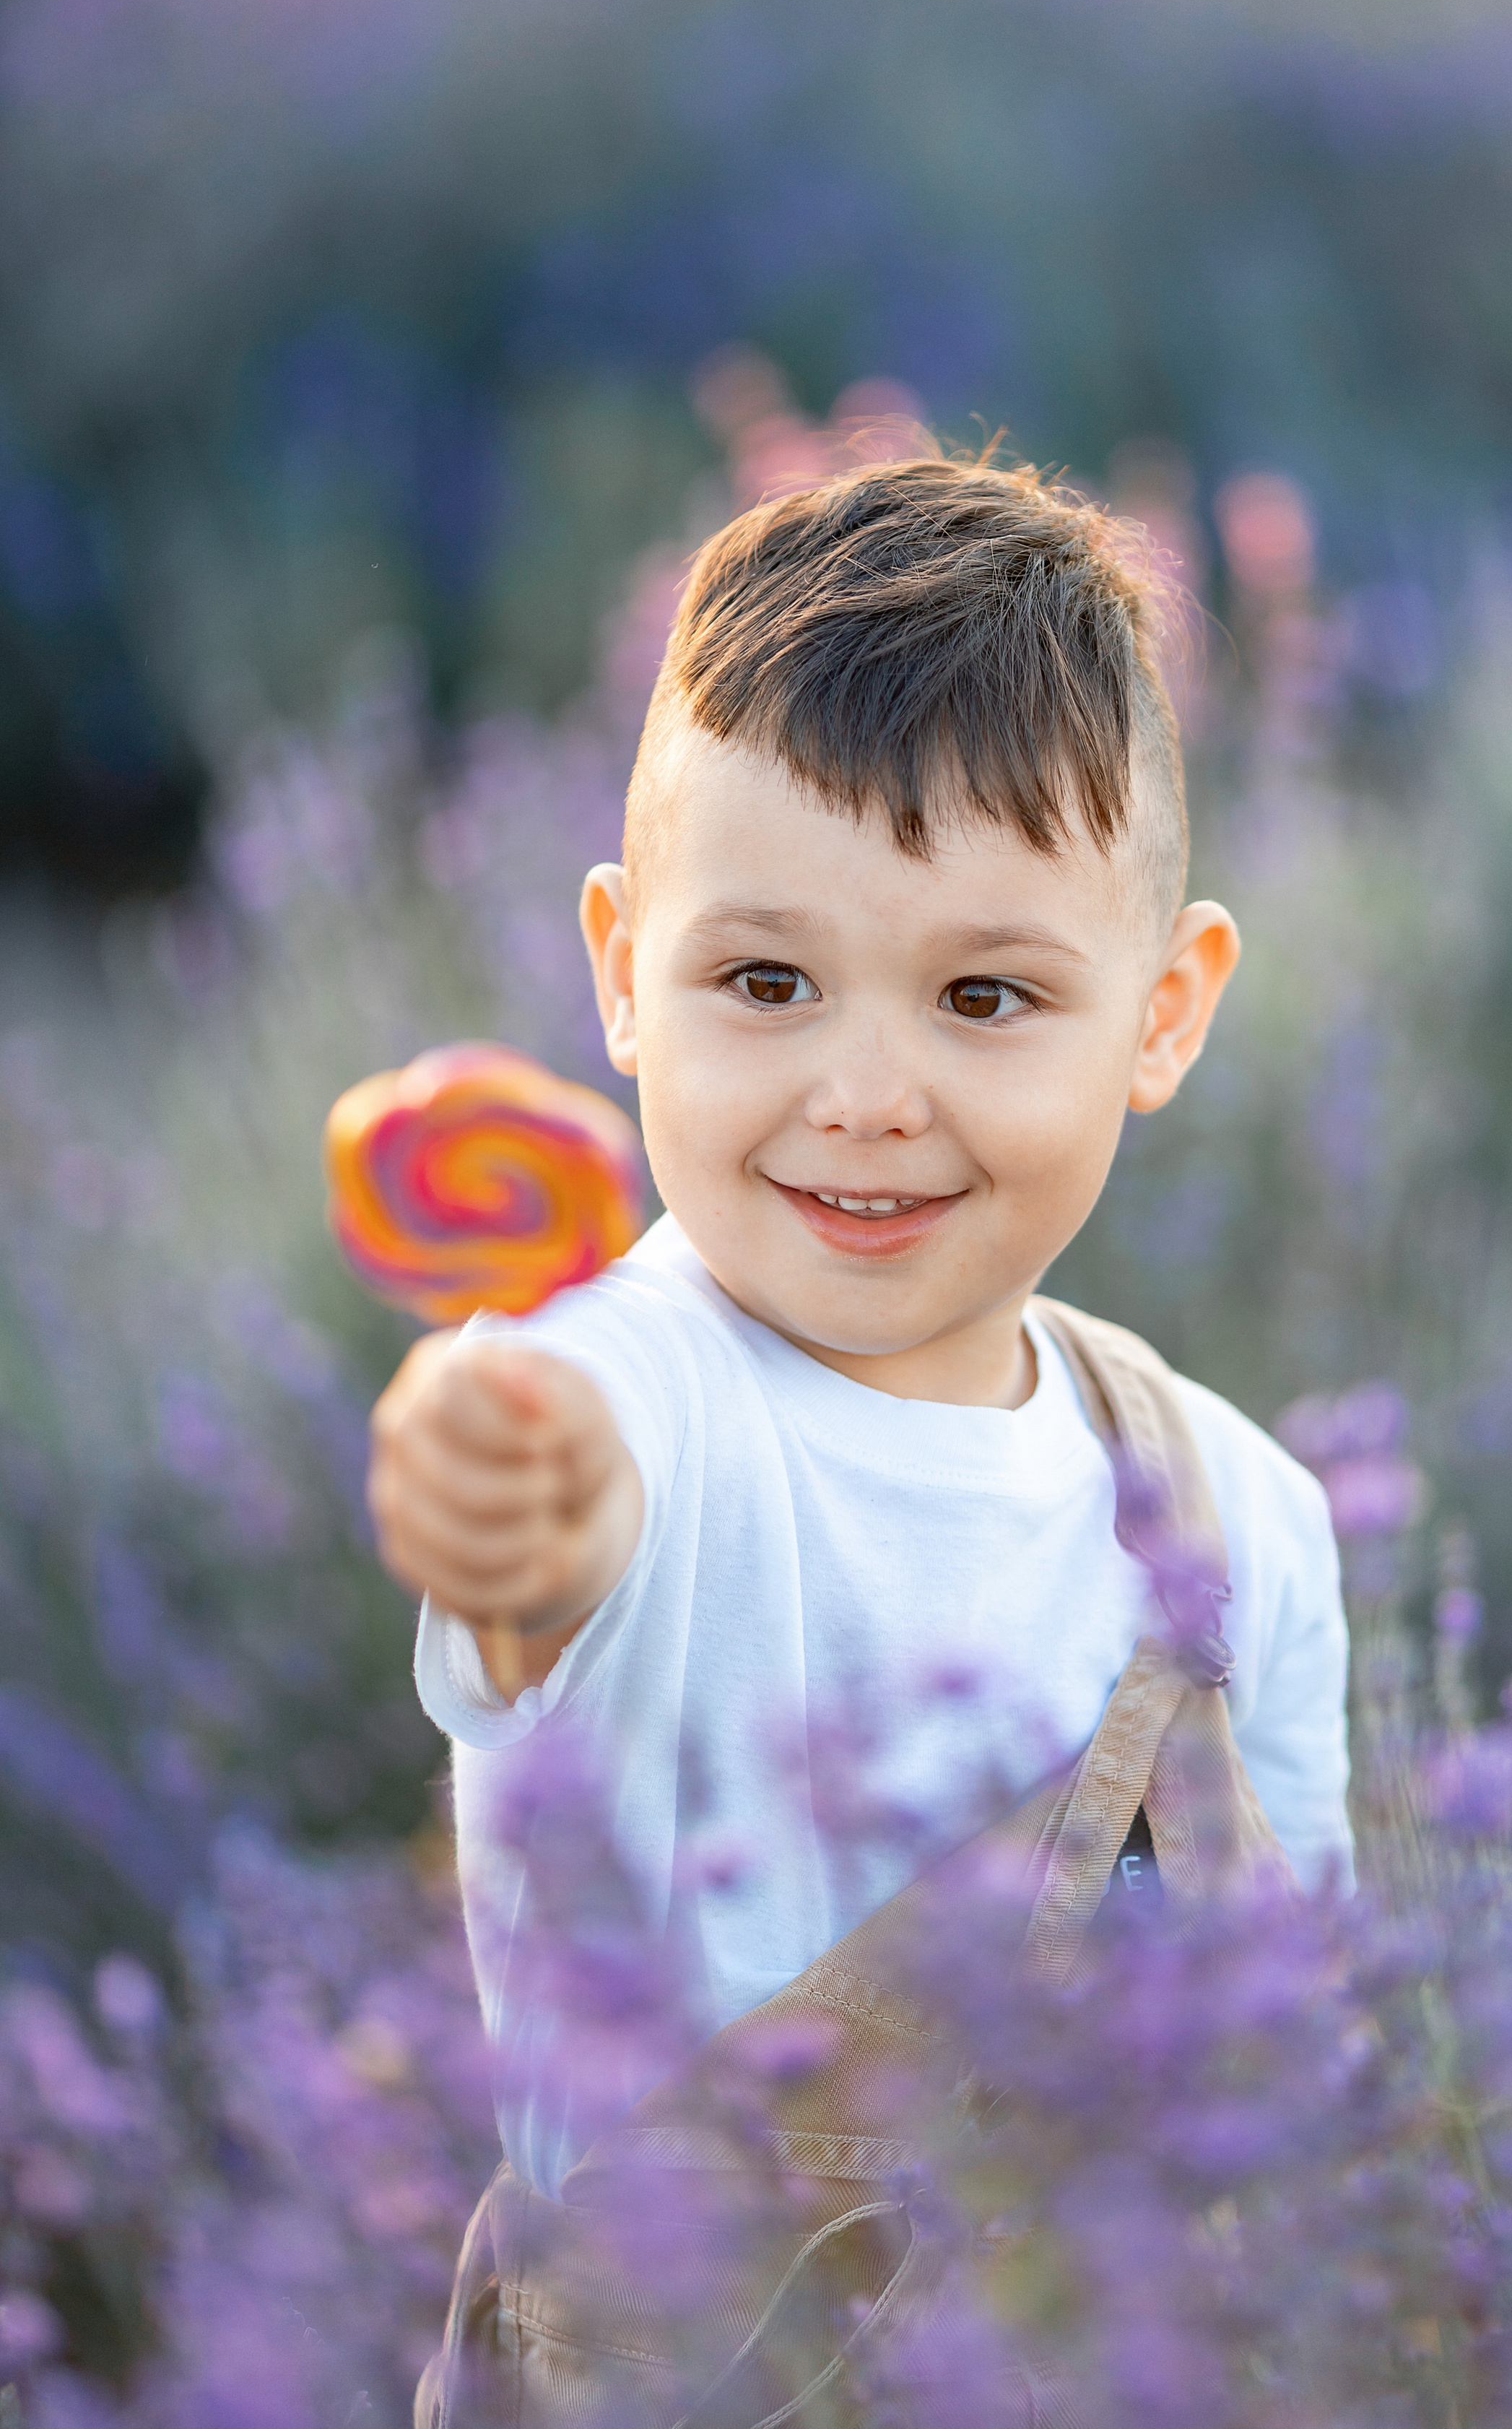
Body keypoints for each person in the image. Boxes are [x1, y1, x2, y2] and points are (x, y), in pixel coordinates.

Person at [369, 451, 1354, 2225]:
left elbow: (1293, 2049)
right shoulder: (632, 1398)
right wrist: (498, 1487)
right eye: (765, 982)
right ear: (619, 972)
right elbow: (562, 1511)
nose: (865, 1097)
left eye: (984, 997)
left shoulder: (1239, 1511)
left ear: (1163, 1013)